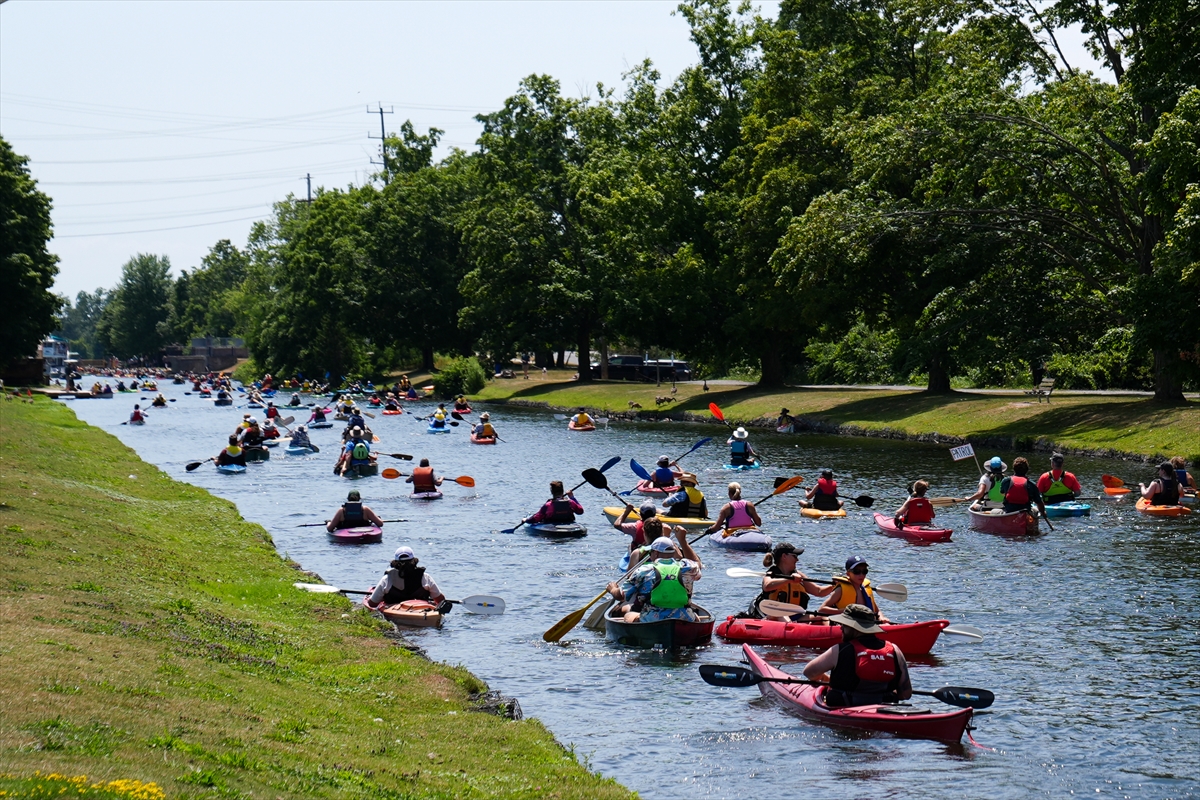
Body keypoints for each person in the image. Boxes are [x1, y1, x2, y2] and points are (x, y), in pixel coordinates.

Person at [802, 604, 912, 708]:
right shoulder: (894, 650)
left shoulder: (839, 650)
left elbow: (809, 672)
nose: (841, 628)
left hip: (845, 708)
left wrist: (827, 680)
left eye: (844, 625)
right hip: (884, 709)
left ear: (853, 627)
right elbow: (905, 694)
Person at [606, 531, 703, 623]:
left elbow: (621, 596)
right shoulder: (688, 567)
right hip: (684, 617)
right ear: (674, 552)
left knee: (628, 615)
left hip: (653, 619)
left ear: (655, 553)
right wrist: (682, 543)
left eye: (650, 553)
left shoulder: (644, 570)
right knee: (695, 617)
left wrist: (612, 589)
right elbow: (698, 565)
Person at [751, 542, 834, 620]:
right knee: (783, 617)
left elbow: (819, 591)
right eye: (795, 556)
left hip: (796, 616)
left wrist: (834, 586)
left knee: (823, 618)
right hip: (775, 615)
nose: (797, 560)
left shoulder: (798, 574)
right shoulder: (772, 573)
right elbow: (767, 586)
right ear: (784, 556)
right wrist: (789, 579)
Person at [365, 547, 447, 611]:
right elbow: (440, 600)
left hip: (395, 610)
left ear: (395, 562)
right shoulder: (425, 577)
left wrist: (381, 598)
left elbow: (372, 604)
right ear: (414, 561)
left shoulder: (387, 579)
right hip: (422, 610)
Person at [818, 556, 892, 624]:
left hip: (866, 624)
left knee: (886, 624)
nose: (861, 575)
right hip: (846, 625)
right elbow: (822, 609)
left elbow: (877, 610)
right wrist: (842, 611)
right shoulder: (841, 590)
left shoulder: (866, 589)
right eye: (857, 571)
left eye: (864, 571)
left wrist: (882, 617)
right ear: (848, 574)